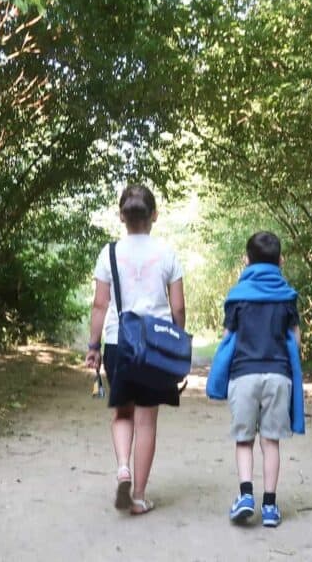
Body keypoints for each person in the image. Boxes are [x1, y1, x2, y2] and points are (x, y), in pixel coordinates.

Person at [85, 185, 186, 516]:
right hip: (155, 346)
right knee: (147, 421)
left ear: (121, 216)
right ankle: (139, 497)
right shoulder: (168, 254)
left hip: (118, 342)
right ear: (154, 215)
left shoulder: (109, 253)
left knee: (122, 414)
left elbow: (100, 304)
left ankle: (123, 467)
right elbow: (178, 308)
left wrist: (93, 346)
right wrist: (178, 345)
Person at [206, 231, 305, 528]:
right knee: (271, 441)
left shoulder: (237, 297)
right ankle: (271, 507)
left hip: (244, 376)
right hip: (278, 377)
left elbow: (228, 339)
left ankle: (246, 495)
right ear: (281, 261)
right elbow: (296, 342)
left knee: (244, 439)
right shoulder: (287, 297)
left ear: (246, 261)